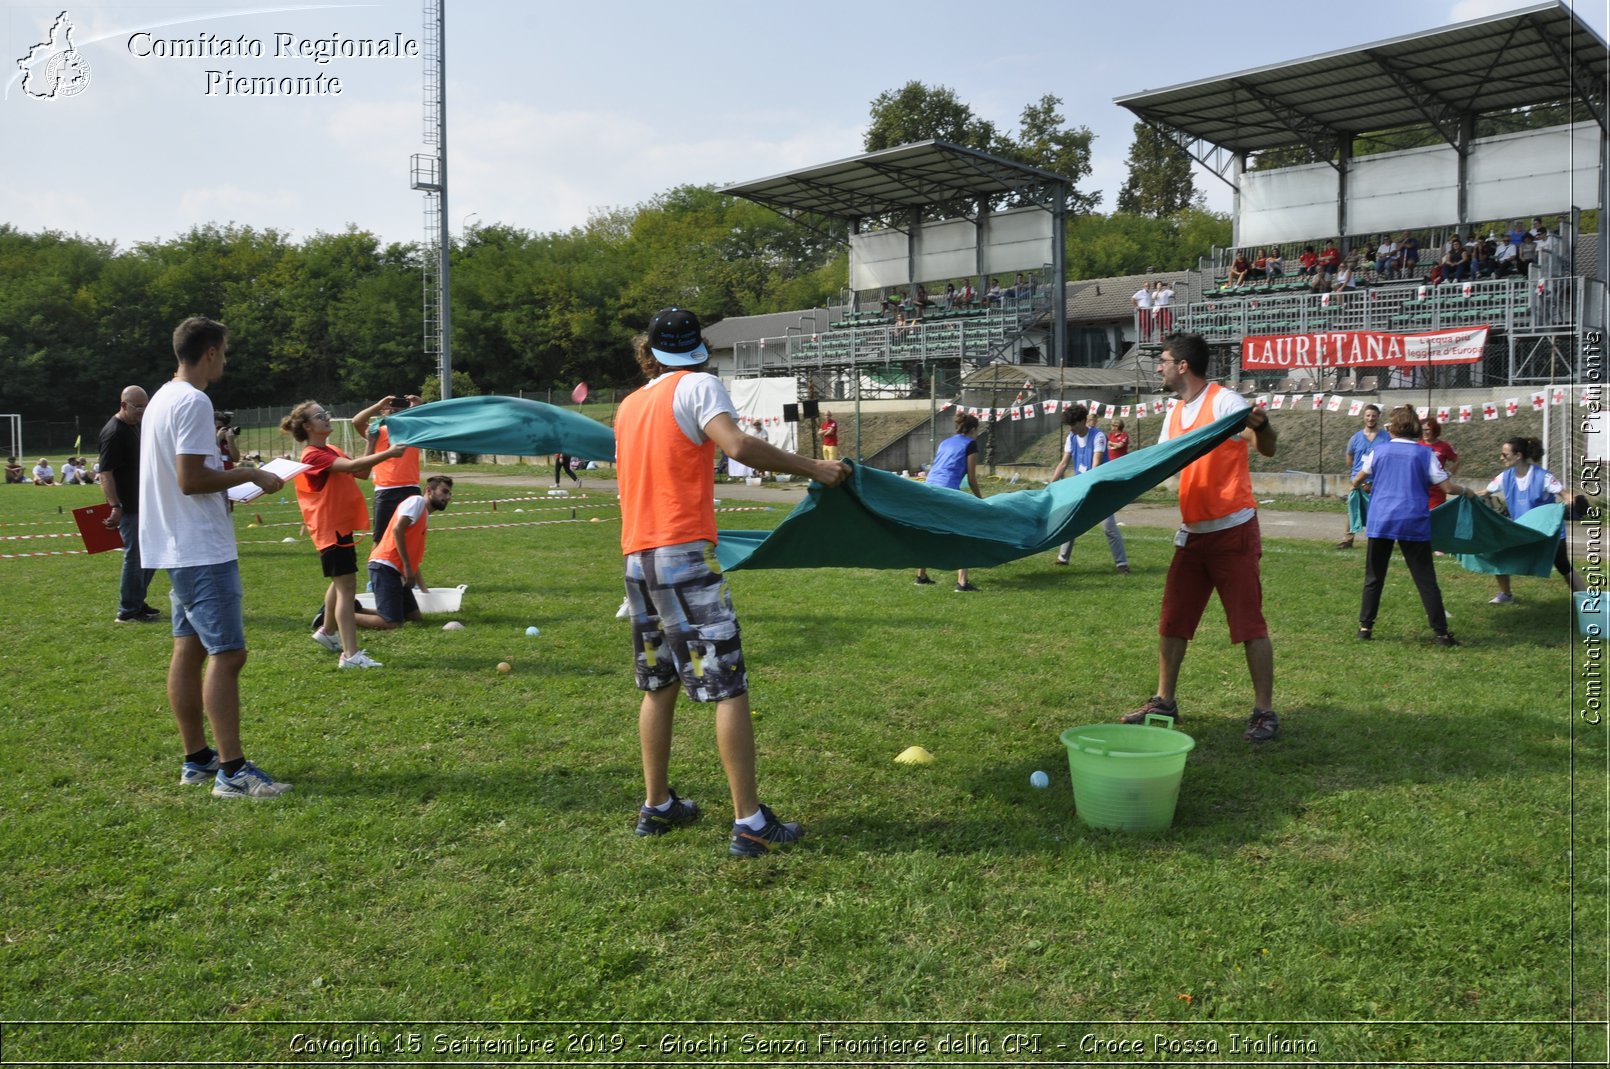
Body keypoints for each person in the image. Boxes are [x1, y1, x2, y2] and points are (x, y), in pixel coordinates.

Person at [617, 308, 848, 857]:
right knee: (727, 684)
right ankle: (749, 821)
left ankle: (658, 805)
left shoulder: (629, 404)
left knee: (660, 682)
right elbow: (737, 446)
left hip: (636, 557)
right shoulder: (700, 386)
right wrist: (815, 468)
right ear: (696, 348)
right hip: (684, 554)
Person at [139, 316, 289, 798]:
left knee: (188, 649)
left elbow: (188, 477)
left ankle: (197, 758)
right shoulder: (193, 400)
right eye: (223, 351)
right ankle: (233, 772)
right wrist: (253, 473)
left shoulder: (161, 397)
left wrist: (231, 488)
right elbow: (191, 479)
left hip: (177, 545)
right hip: (200, 549)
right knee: (229, 654)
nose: (225, 360)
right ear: (209, 352)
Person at [1123, 333, 1280, 742]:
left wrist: (1264, 428)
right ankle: (1164, 702)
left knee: (1249, 625)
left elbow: (1267, 448)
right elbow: (1156, 465)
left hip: (1234, 530)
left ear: (1183, 366)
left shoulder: (1225, 402)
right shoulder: (1174, 413)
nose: (1158, 367)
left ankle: (1264, 712)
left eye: (1163, 360)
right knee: (1173, 621)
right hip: (1192, 535)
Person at [281, 400, 407, 669]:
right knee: (346, 588)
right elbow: (351, 468)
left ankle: (327, 631)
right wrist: (390, 453)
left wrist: (372, 443)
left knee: (341, 583)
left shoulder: (331, 449)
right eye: (319, 416)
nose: (326, 417)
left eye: (325, 413)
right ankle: (350, 655)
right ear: (307, 426)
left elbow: (361, 471)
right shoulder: (313, 455)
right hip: (330, 529)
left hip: (339, 527)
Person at [1352, 407, 1460, 646]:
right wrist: (1468, 492)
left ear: (1392, 428)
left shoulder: (1379, 451)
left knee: (1374, 576)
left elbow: (1357, 480)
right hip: (1413, 520)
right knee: (1425, 578)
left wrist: (1367, 486)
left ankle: (1365, 627)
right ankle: (1441, 633)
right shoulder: (1425, 454)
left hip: (1382, 520)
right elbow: (1448, 489)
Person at [1485, 436, 1587, 603]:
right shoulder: (1505, 477)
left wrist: (1572, 500)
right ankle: (1506, 595)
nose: (1501, 457)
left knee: (1562, 564)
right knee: (1498, 552)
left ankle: (1586, 600)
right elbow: (1485, 493)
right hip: (1521, 531)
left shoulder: (1543, 476)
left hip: (1547, 531)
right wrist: (1465, 494)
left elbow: (1563, 493)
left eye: (1505, 454)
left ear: (1518, 456)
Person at [99, 385, 162, 624]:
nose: (143, 411)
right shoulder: (114, 432)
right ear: (123, 405)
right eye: (138, 407)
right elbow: (105, 473)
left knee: (152, 555)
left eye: (146, 406)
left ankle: (137, 601)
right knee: (135, 556)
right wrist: (115, 505)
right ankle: (127, 611)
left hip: (145, 504)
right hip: (129, 507)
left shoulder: (135, 426)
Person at [357, 475, 454, 629]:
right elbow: (397, 529)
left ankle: (357, 610)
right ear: (429, 490)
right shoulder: (416, 502)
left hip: (397, 570)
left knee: (414, 617)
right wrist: (407, 567)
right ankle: (340, 614)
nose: (447, 497)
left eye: (449, 494)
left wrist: (424, 590)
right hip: (384, 566)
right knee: (392, 623)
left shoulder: (424, 514)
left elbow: (413, 556)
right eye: (444, 491)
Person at [1047, 404, 1129, 574]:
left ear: (1084, 421)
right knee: (1070, 521)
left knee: (1108, 527)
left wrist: (1087, 486)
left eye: (1074, 425)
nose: (1072, 429)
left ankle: (1122, 564)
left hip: (1099, 487)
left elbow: (1096, 464)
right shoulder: (1071, 437)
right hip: (1082, 485)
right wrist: (1051, 484)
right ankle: (1063, 558)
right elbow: (1063, 463)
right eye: (1070, 426)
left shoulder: (1098, 436)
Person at [915, 410, 985, 592]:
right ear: (974, 429)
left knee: (929, 532)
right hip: (947, 491)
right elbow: (971, 478)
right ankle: (962, 583)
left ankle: (921, 576)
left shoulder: (945, 442)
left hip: (929, 488)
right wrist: (981, 501)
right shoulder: (970, 444)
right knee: (964, 532)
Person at [353, 394, 423, 544]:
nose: (394, 408)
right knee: (380, 539)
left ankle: (406, 567)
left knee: (410, 538)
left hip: (411, 489)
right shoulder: (377, 432)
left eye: (398, 406)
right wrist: (379, 404)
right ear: (382, 412)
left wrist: (418, 405)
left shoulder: (412, 430)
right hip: (385, 491)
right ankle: (377, 566)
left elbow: (425, 419)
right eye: (389, 407)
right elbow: (357, 421)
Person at [1337, 404, 1382, 549]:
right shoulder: (1355, 438)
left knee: (1377, 511)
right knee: (1353, 508)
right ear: (1364, 417)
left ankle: (1377, 540)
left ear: (1378, 417)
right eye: (1368, 415)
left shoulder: (1385, 437)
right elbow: (1349, 458)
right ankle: (1347, 539)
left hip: (1377, 481)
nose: (1371, 418)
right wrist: (1358, 472)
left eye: (1373, 415)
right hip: (1357, 480)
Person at [1420, 416, 1460, 510]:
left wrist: (1449, 474)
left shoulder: (1444, 446)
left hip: (1438, 489)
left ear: (1434, 430)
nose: (1425, 432)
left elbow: (1457, 460)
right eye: (1422, 430)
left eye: (1427, 429)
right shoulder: (1417, 446)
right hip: (1421, 488)